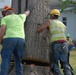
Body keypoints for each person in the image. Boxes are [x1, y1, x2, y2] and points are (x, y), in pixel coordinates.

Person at [37, 9, 73, 75]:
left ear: (51, 15)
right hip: (64, 44)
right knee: (65, 63)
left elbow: (41, 29)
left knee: (54, 63)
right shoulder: (62, 24)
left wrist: (38, 29)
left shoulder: (49, 22)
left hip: (56, 43)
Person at [0, 5, 33, 75]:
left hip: (9, 39)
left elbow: (2, 29)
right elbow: (26, 13)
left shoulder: (5, 18)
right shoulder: (20, 16)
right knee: (18, 60)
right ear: (12, 11)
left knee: (6, 59)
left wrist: (0, 40)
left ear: (5, 13)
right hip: (21, 40)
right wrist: (29, 9)